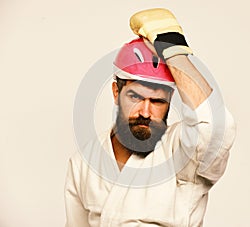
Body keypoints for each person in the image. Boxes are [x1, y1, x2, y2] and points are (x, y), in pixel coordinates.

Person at [65, 8, 236, 227]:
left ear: (171, 99)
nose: (145, 113)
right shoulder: (83, 163)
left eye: (157, 101)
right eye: (135, 97)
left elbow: (216, 127)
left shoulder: (181, 152)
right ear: (116, 92)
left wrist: (172, 50)